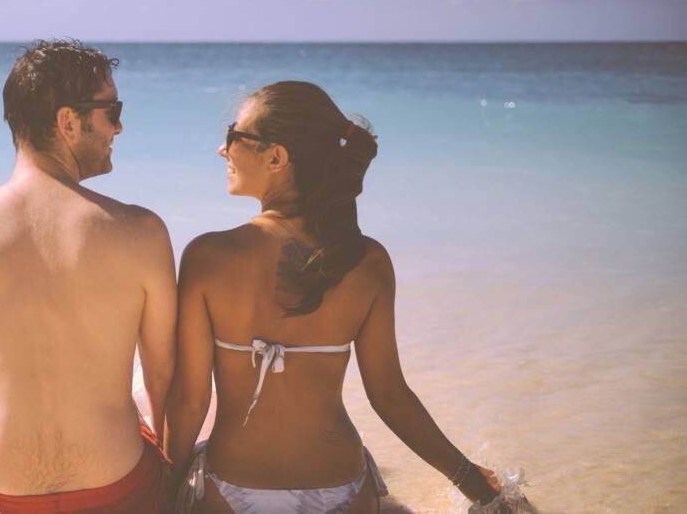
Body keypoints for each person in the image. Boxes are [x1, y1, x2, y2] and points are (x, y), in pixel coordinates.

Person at [164, 81, 504, 512]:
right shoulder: (366, 261)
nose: (222, 150)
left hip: (231, 488)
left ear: (276, 157)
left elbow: (190, 401)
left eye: (234, 136)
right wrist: (470, 480)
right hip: (341, 489)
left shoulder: (208, 256)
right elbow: (390, 396)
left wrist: (161, 492)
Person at [0, 39, 177, 513]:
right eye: (112, 111)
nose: (119, 127)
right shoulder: (142, 232)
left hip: (0, 495)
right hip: (121, 489)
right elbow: (163, 381)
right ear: (67, 122)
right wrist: (174, 486)